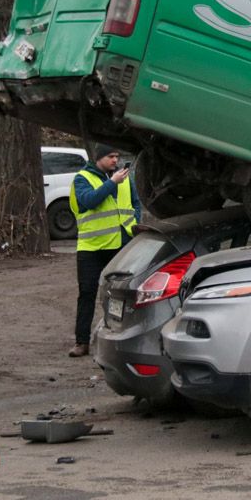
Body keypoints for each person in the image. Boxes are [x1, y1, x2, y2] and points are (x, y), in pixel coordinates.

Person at [68, 144, 141, 357]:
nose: (115, 161)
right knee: (87, 293)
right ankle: (82, 342)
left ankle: (122, 339)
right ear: (98, 158)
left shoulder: (123, 178)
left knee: (122, 293)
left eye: (117, 156)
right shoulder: (83, 178)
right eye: (111, 156)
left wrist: (135, 222)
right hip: (91, 246)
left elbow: (135, 204)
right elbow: (89, 201)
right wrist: (111, 183)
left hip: (120, 243)